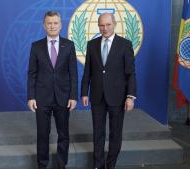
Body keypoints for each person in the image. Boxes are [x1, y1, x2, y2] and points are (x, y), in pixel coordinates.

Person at [81, 13, 137, 169]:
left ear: (115, 24)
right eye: (101, 25)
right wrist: (84, 92)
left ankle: (110, 165)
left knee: (115, 134)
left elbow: (130, 73)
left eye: (108, 25)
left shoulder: (125, 44)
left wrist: (130, 97)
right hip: (97, 96)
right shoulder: (91, 45)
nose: (104, 28)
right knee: (98, 133)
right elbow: (87, 71)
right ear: (98, 26)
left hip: (118, 97)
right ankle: (98, 165)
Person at [27, 11, 78, 169]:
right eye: (49, 23)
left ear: (60, 25)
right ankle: (42, 165)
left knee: (63, 134)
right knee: (42, 134)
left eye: (55, 23)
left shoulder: (69, 45)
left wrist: (73, 96)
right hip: (42, 98)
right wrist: (31, 97)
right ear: (44, 26)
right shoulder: (36, 46)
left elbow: (73, 73)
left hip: (63, 97)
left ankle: (61, 164)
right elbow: (32, 73)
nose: (52, 26)